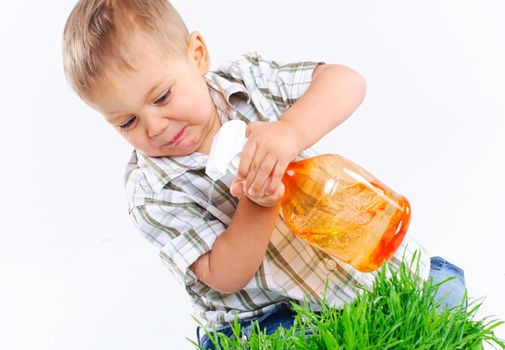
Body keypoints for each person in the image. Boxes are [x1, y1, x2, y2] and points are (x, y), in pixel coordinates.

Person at [62, 1, 466, 348]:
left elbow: (347, 81)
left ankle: (377, 311)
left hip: (350, 272)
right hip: (264, 315)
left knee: (444, 291)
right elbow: (224, 276)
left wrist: (290, 131)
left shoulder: (247, 83)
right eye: (127, 121)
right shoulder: (151, 193)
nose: (154, 127)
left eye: (162, 96)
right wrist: (257, 201)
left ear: (197, 54)